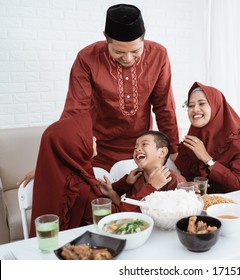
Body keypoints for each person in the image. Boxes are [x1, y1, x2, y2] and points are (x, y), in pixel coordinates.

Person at [18, 3, 179, 186]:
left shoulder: (158, 55)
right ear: (106, 39)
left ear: (144, 38)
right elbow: (75, 112)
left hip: (142, 151)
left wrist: (174, 149)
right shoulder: (87, 58)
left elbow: (165, 107)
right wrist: (52, 161)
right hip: (97, 151)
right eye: (118, 51)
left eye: (135, 51)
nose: (127, 58)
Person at [29, 112, 129, 237]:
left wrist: (126, 183)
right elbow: (116, 222)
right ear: (75, 146)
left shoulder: (53, 175)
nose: (94, 138)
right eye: (88, 136)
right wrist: (151, 186)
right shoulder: (77, 188)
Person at [174, 82, 240, 194]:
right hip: (203, 203)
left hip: (234, 203)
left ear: (216, 106)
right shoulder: (193, 138)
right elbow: (186, 175)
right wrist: (190, 185)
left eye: (202, 103)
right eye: (191, 105)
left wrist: (207, 159)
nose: (195, 109)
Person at [99, 130, 186, 208]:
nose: (137, 149)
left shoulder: (175, 181)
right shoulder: (134, 178)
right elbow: (127, 210)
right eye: (135, 148)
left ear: (162, 152)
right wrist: (111, 192)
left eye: (144, 144)